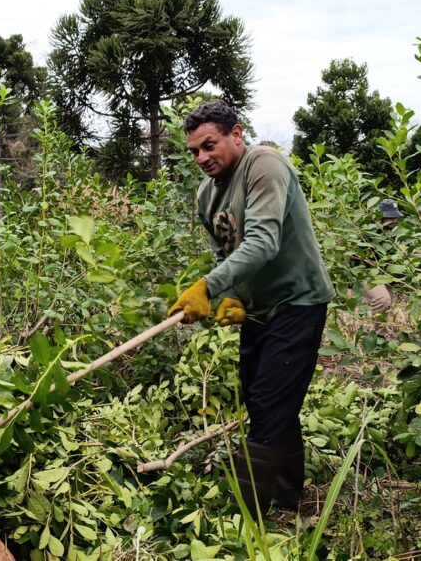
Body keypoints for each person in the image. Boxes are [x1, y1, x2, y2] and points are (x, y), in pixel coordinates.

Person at [167, 101, 335, 520]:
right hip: (259, 311)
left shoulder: (264, 165)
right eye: (194, 151)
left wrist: (207, 287)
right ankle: (290, 496)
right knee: (264, 401)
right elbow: (227, 250)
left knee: (268, 397)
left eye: (209, 145)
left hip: (298, 301)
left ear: (236, 135)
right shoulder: (206, 193)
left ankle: (250, 517)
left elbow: (263, 242)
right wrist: (231, 295)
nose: (202, 158)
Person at [359, 199, 404, 333]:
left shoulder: (395, 234)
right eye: (390, 217)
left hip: (387, 276)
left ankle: (385, 334)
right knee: (382, 299)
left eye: (394, 216)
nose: (393, 220)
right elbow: (356, 258)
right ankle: (379, 337)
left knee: (388, 305)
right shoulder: (368, 233)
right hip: (369, 275)